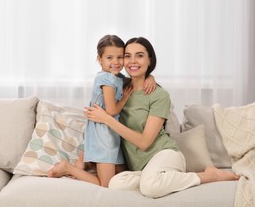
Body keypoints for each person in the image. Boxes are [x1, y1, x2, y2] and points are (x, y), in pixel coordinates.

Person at [84, 37, 239, 198]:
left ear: (149, 60)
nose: (132, 61)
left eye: (140, 55)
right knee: (115, 183)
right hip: (141, 167)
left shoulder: (159, 95)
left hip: (164, 155)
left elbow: (144, 142)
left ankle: (207, 176)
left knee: (150, 188)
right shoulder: (121, 86)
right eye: (127, 56)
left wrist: (107, 119)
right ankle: (155, 179)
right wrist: (149, 77)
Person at [48, 35, 156, 187]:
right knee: (107, 184)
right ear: (99, 59)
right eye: (109, 58)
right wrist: (124, 99)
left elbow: (135, 79)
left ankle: (87, 160)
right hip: (103, 133)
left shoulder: (117, 77)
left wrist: (150, 77)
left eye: (120, 57)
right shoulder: (107, 79)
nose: (116, 62)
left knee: (123, 171)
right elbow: (111, 111)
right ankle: (68, 167)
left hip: (109, 130)